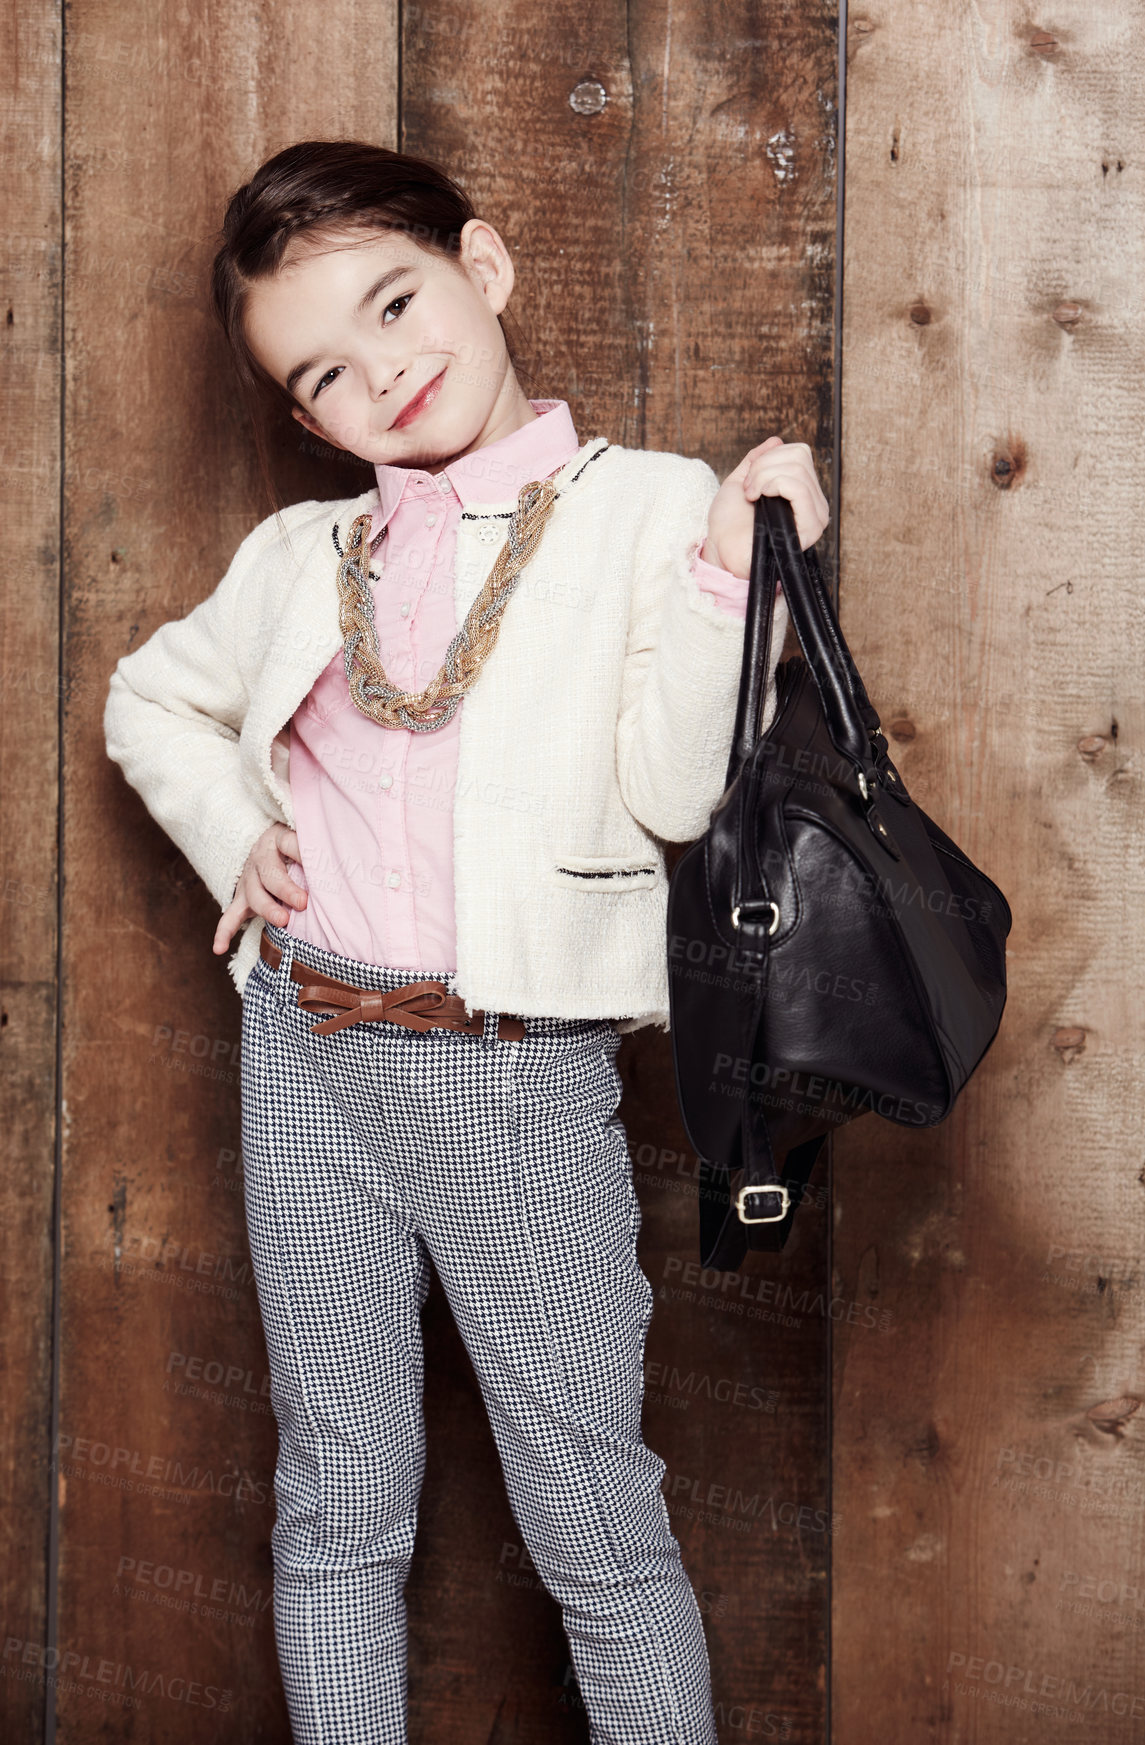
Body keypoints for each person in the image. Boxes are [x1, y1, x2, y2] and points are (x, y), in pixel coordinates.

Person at [104, 139, 829, 1745]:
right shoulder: (308, 557)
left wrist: (727, 572)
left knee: (592, 1520)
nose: (385, 372)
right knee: (335, 1493)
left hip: (507, 1075)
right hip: (303, 1046)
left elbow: (672, 787)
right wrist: (238, 827)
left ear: (484, 268)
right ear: (306, 420)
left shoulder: (641, 505)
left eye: (397, 302)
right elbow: (149, 695)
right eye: (327, 371)